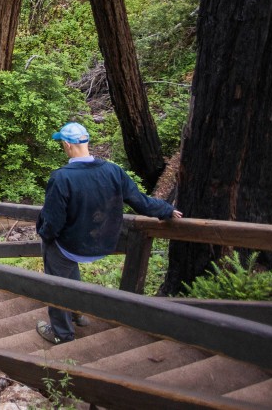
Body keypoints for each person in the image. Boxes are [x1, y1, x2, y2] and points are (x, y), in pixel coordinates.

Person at [35, 122, 182, 344]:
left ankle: (61, 334)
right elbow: (140, 202)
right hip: (104, 243)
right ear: (86, 141)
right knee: (65, 264)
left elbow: (53, 223)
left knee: (56, 275)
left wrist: (44, 234)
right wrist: (167, 210)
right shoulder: (113, 171)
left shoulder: (61, 177)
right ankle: (76, 312)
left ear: (66, 144)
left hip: (72, 245)